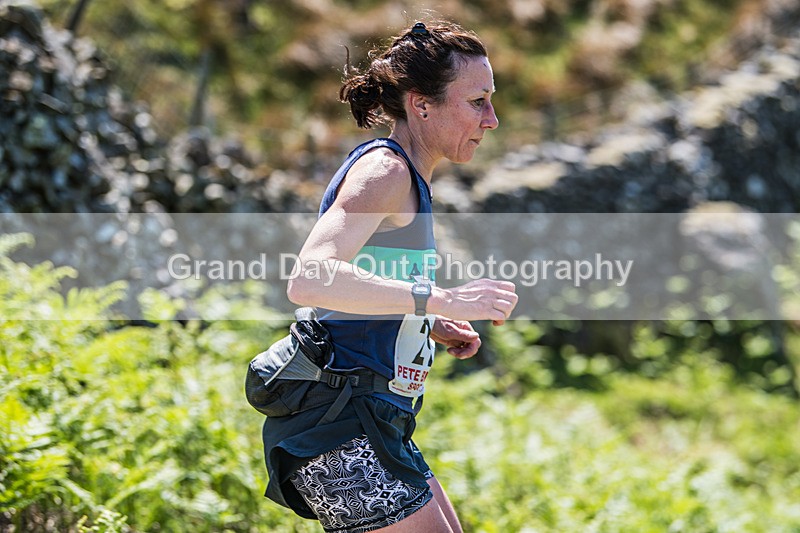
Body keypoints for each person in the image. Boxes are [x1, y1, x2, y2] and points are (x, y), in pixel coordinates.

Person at [262, 20, 518, 533]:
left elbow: (354, 285)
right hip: (338, 425)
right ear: (422, 104)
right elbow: (310, 277)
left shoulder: (408, 180)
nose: (491, 119)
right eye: (477, 101)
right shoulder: (386, 173)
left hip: (376, 423)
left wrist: (419, 322)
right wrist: (439, 299)